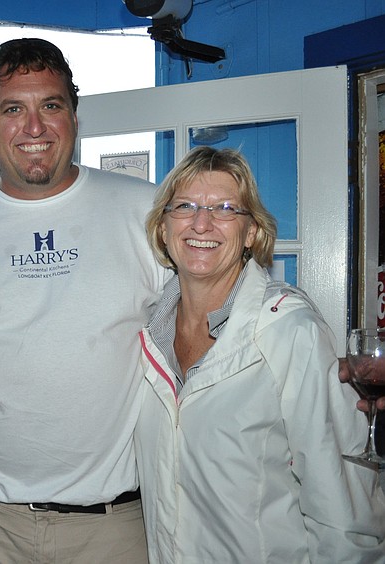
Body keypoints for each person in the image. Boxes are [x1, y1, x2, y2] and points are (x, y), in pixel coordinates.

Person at [0, 38, 166, 563]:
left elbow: (217, 331)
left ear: (74, 116)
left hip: (114, 528)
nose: (34, 127)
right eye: (12, 109)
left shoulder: (146, 214)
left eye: (50, 105)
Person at [137, 146, 385, 562]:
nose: (202, 222)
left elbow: (344, 513)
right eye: (185, 206)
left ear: (251, 233)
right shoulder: (146, 336)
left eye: (226, 208)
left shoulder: (291, 330)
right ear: (163, 227)